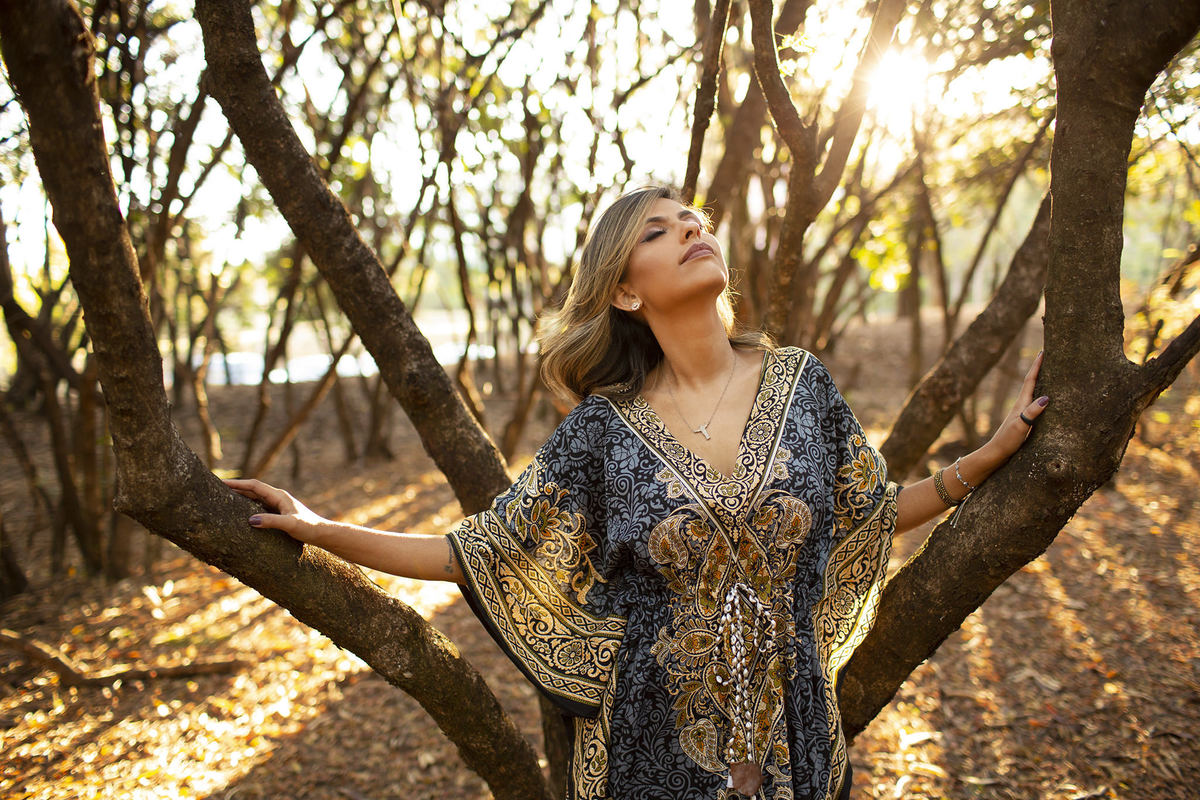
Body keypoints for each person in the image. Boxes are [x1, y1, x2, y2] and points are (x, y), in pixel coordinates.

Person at [225, 185, 1048, 800]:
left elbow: (866, 515)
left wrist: (993, 452)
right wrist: (319, 527)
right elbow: (474, 554)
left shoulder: (802, 383)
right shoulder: (602, 433)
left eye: (693, 218)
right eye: (658, 230)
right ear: (625, 290)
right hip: (650, 755)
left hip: (796, 742)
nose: (691, 227)